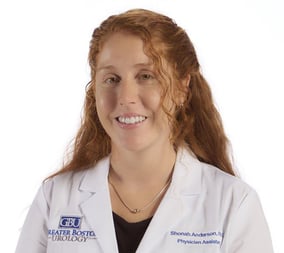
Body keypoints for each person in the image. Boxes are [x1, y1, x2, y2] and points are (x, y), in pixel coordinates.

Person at [15, 8, 273, 253]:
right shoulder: (55, 198)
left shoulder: (233, 204)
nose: (125, 97)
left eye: (146, 76)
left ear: (183, 88)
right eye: (111, 79)